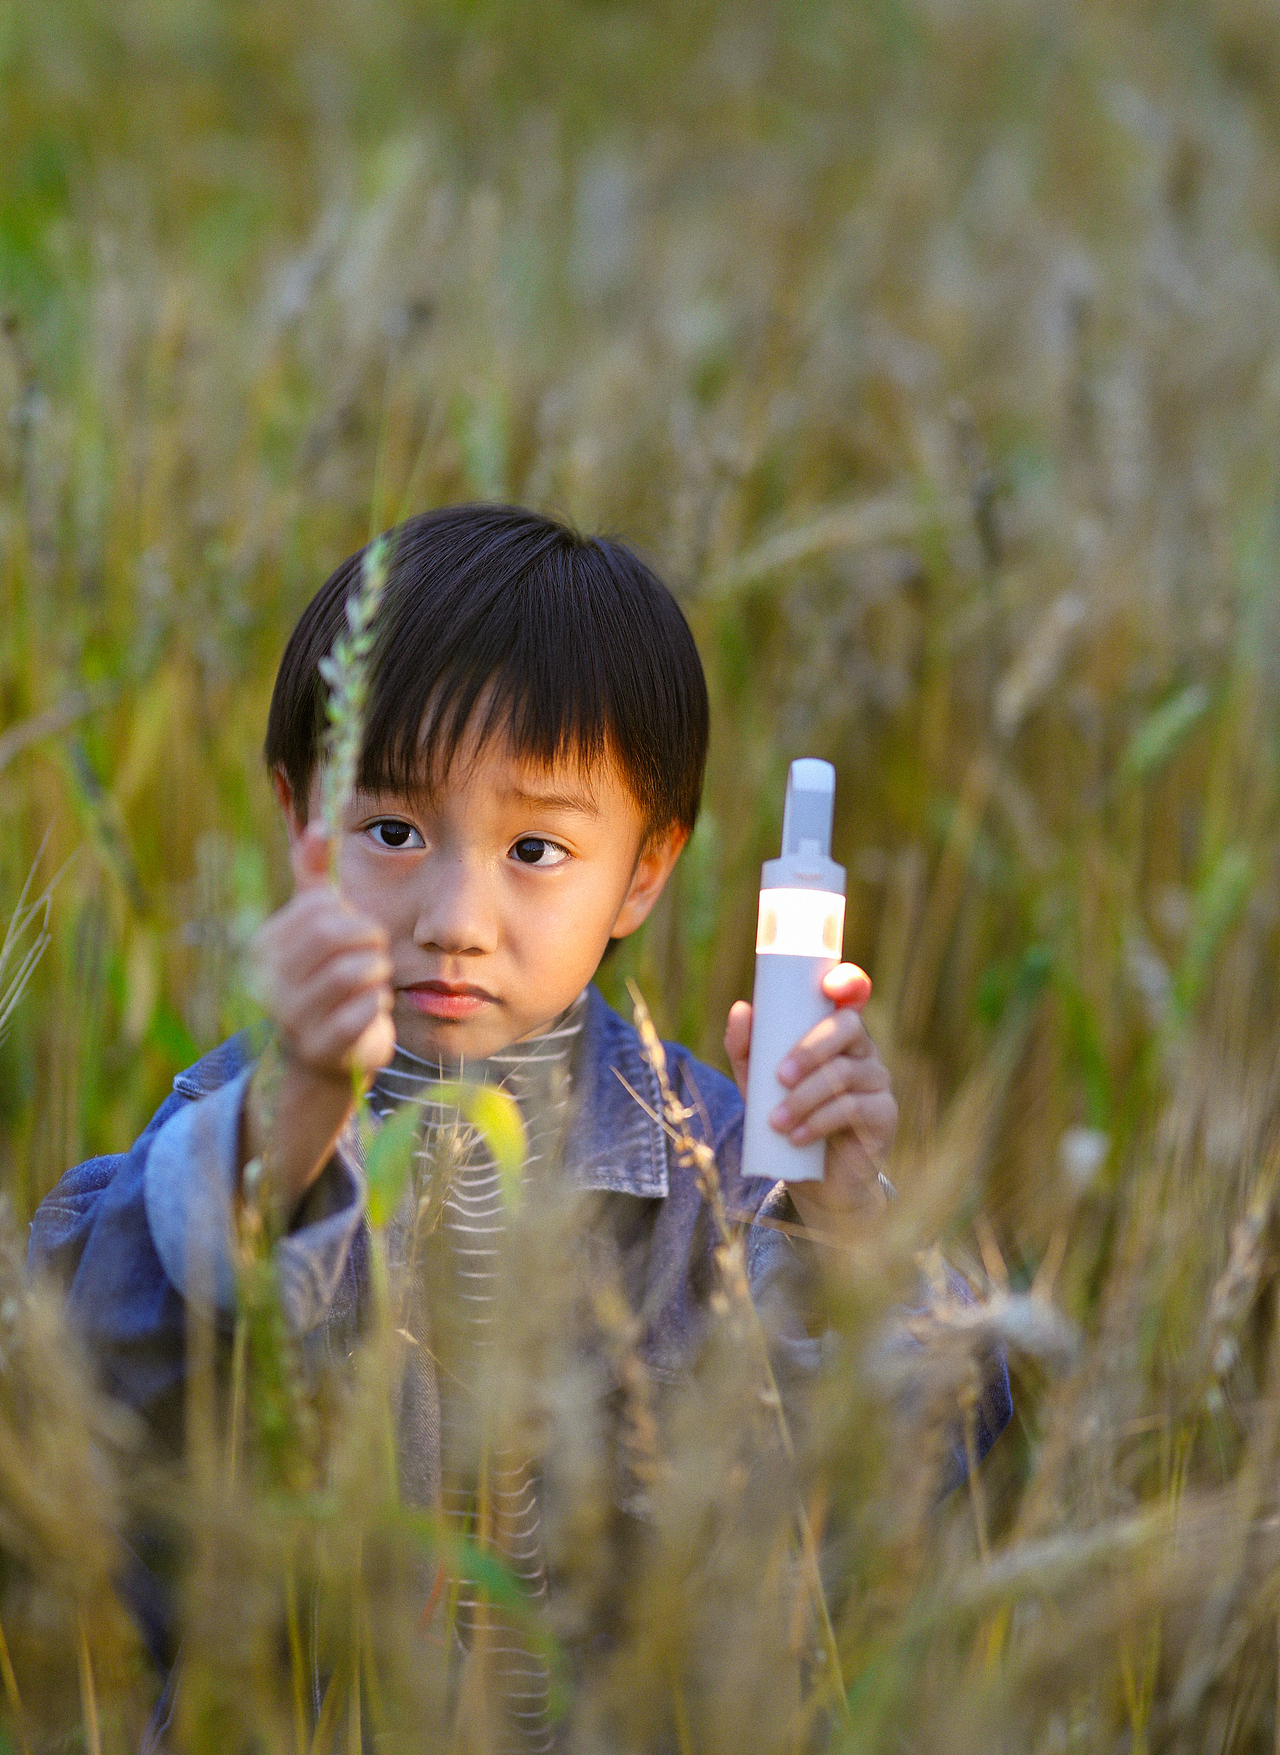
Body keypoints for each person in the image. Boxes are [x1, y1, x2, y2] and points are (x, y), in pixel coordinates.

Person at [29, 505, 1010, 1747]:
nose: (454, 915)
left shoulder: (715, 1167)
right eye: (391, 832)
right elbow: (86, 1409)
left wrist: (851, 1220)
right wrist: (287, 1133)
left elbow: (904, 1490)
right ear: (298, 822)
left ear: (644, 872)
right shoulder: (226, 1127)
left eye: (535, 847)